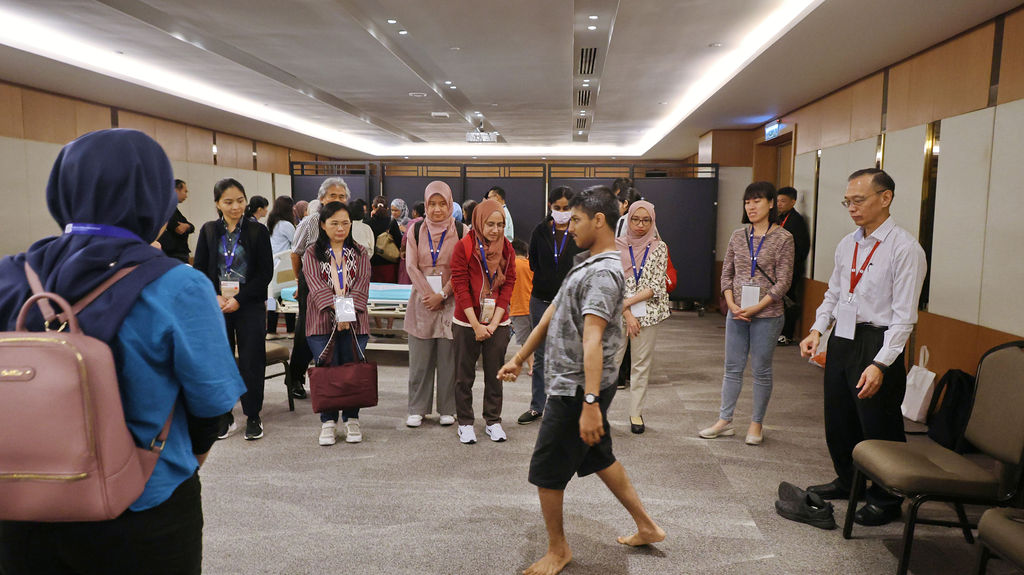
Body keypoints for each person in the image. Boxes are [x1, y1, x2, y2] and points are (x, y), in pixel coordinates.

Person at [0, 129, 245, 575]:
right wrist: (177, 462)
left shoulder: (10, 276)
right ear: (157, 197)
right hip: (143, 505)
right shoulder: (178, 284)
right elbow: (212, 406)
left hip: (19, 505)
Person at [497, 186, 664, 575]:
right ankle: (647, 526)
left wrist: (590, 403)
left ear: (598, 221)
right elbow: (549, 314)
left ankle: (558, 550)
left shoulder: (603, 274)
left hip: (576, 389)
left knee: (547, 472)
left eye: (575, 219)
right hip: (577, 384)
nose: (568, 226)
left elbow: (593, 340)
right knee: (598, 456)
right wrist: (519, 359)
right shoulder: (585, 263)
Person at [800, 168, 926, 527]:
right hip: (844, 336)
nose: (852, 208)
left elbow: (904, 317)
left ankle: (887, 498)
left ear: (885, 198)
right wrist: (817, 330)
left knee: (878, 421)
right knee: (839, 415)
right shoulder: (848, 244)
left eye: (859, 200)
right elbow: (834, 294)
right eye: (848, 202)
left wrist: (881, 364)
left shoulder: (905, 249)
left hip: (878, 340)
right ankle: (848, 479)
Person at [700, 182, 794, 445]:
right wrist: (731, 304)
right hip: (737, 312)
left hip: (768, 314)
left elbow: (784, 281)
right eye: (747, 202)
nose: (751, 207)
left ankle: (756, 423)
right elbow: (727, 274)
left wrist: (757, 307)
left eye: (757, 201)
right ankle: (725, 420)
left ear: (771, 203)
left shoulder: (783, 238)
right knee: (732, 367)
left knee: (761, 369)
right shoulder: (738, 236)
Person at [194, 178, 274, 441]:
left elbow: (265, 273)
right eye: (228, 202)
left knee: (252, 360)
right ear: (217, 203)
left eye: (240, 200)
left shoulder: (257, 231)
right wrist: (215, 295)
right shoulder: (208, 231)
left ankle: (253, 415)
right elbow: (200, 270)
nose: (236, 207)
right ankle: (224, 415)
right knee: (221, 360)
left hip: (248, 304)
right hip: (218, 306)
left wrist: (240, 299)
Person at [302, 202, 371, 445]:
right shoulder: (312, 253)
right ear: (323, 225)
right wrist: (339, 312)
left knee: (352, 370)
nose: (340, 228)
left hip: (355, 323)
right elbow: (316, 286)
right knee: (327, 370)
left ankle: (352, 419)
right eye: (334, 223)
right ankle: (328, 422)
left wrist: (346, 315)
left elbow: (362, 284)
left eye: (345, 223)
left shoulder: (360, 252)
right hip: (321, 322)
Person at [450, 199, 516, 444]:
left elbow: (508, 285)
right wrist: (476, 325)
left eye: (500, 225)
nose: (495, 230)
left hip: (497, 321)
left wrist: (494, 323)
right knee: (463, 376)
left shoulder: (507, 248)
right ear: (479, 222)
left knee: (495, 375)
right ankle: (465, 423)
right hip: (467, 321)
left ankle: (493, 421)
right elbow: (460, 286)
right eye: (490, 224)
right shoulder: (464, 247)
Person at [404, 181, 465, 428]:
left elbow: (463, 268)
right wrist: (429, 294)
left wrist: (443, 294)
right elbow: (411, 266)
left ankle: (448, 408)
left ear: (450, 204)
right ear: (425, 205)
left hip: (452, 302)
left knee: (449, 360)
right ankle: (417, 409)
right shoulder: (415, 229)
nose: (437, 209)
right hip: (422, 302)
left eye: (442, 204)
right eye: (432, 204)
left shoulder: (462, 230)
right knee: (420, 360)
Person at [518, 186, 580, 425]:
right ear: (550, 207)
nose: (562, 212)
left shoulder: (579, 231)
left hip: (569, 303)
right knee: (541, 356)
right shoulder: (540, 231)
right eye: (557, 208)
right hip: (541, 300)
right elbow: (533, 263)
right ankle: (537, 406)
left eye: (566, 208)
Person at [289, 178, 351, 399]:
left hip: (342, 282)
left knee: (344, 328)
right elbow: (296, 253)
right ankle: (295, 378)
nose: (337, 200)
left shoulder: (348, 221)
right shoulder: (311, 221)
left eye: (341, 196)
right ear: (322, 198)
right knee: (307, 331)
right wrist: (300, 281)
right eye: (332, 195)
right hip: (312, 282)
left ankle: (337, 378)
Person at [615, 200, 671, 435]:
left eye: (646, 220)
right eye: (635, 219)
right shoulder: (615, 246)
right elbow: (612, 283)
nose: (640, 225)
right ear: (628, 219)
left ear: (652, 221)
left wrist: (627, 304)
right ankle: (597, 413)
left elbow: (656, 285)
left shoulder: (659, 247)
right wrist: (626, 312)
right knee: (610, 364)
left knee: (640, 365)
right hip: (617, 314)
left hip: (648, 314)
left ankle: (636, 413)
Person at [612, 185, 643, 391]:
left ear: (625, 203)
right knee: (635, 330)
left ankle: (620, 377)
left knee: (622, 330)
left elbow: (617, 251)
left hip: (625, 281)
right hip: (641, 284)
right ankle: (630, 375)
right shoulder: (648, 221)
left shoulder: (623, 221)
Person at [775, 186, 811, 345]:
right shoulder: (778, 218)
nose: (779, 204)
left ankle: (787, 334)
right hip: (776, 268)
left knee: (788, 300)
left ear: (793, 202)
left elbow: (802, 248)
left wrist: (789, 266)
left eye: (783, 201)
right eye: (777, 201)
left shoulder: (797, 221)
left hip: (791, 269)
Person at [266, 195, 296, 334]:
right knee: (288, 296)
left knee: (272, 298)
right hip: (285, 267)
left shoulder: (271, 223)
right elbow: (296, 244)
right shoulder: (286, 225)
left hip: (272, 265)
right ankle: (291, 330)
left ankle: (271, 330)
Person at [509, 238, 534, 375]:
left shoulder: (510, 266)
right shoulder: (531, 265)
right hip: (534, 306)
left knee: (526, 342)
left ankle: (532, 367)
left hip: (518, 308)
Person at [157, 179, 194, 263]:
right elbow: (179, 229)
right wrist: (187, 226)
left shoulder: (174, 209)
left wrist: (187, 226)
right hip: (173, 255)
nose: (186, 196)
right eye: (185, 191)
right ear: (176, 190)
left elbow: (191, 226)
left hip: (177, 254)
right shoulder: (166, 208)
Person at [369, 195, 403, 283]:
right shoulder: (392, 222)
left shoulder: (368, 222)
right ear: (387, 208)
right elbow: (399, 241)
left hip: (372, 264)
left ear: (373, 207)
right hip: (390, 263)